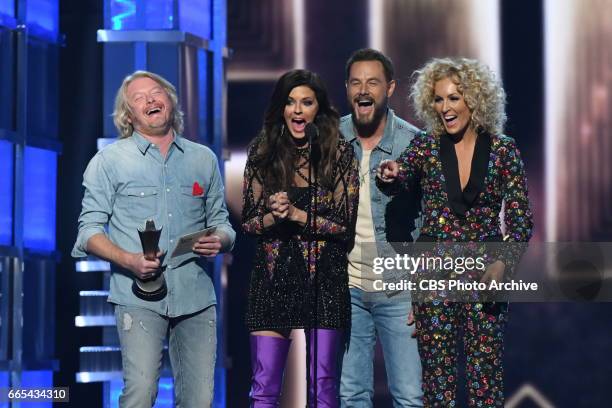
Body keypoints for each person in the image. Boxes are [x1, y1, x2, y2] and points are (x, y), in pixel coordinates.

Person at [72, 71, 235, 407]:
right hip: (137, 297)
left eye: (156, 92)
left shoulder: (202, 159)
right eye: (139, 97)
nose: (150, 100)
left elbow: (223, 223)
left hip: (195, 297)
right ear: (128, 115)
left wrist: (220, 239)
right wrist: (129, 260)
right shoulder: (108, 161)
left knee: (199, 400)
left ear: (171, 100)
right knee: (141, 393)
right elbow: (88, 233)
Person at [378, 57, 533, 407]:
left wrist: (503, 264)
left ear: (474, 100)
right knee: (438, 383)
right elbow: (400, 175)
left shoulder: (504, 150)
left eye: (453, 98)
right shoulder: (428, 146)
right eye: (438, 99)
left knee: (485, 382)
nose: (444, 107)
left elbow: (521, 219)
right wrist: (389, 173)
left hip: (486, 273)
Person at [242, 69, 359, 407]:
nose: (297, 111)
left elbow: (343, 225)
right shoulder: (262, 152)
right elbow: (249, 223)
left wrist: (297, 215)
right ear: (281, 108)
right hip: (271, 276)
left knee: (322, 389)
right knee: (263, 388)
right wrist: (272, 215)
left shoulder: (338, 154)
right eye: (290, 102)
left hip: (324, 278)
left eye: (306, 103)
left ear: (317, 110)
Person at [338, 48, 423, 407]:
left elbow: (431, 221)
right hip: (346, 288)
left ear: (389, 88)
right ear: (347, 89)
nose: (363, 89)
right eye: (356, 82)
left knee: (408, 396)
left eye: (372, 82)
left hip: (399, 288)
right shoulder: (330, 138)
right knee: (351, 394)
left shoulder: (414, 143)